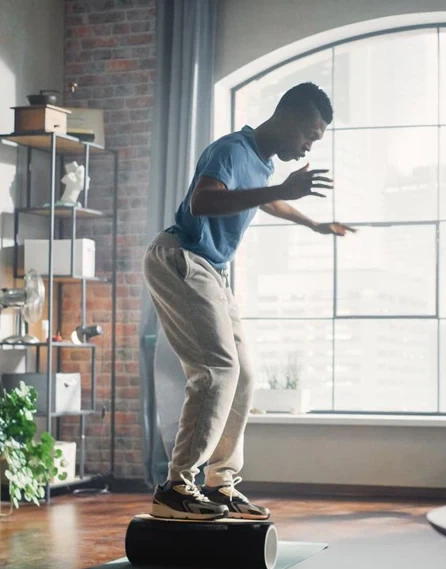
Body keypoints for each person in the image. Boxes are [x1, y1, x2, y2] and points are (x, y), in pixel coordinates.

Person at [143, 82, 355, 520]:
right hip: (181, 256)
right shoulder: (232, 149)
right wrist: (282, 189)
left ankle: (221, 484)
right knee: (217, 370)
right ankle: (176, 487)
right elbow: (203, 201)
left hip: (212, 269)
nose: (307, 147)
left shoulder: (259, 163)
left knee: (244, 375)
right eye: (308, 136)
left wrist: (312, 224)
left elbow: (270, 202)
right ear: (287, 117)